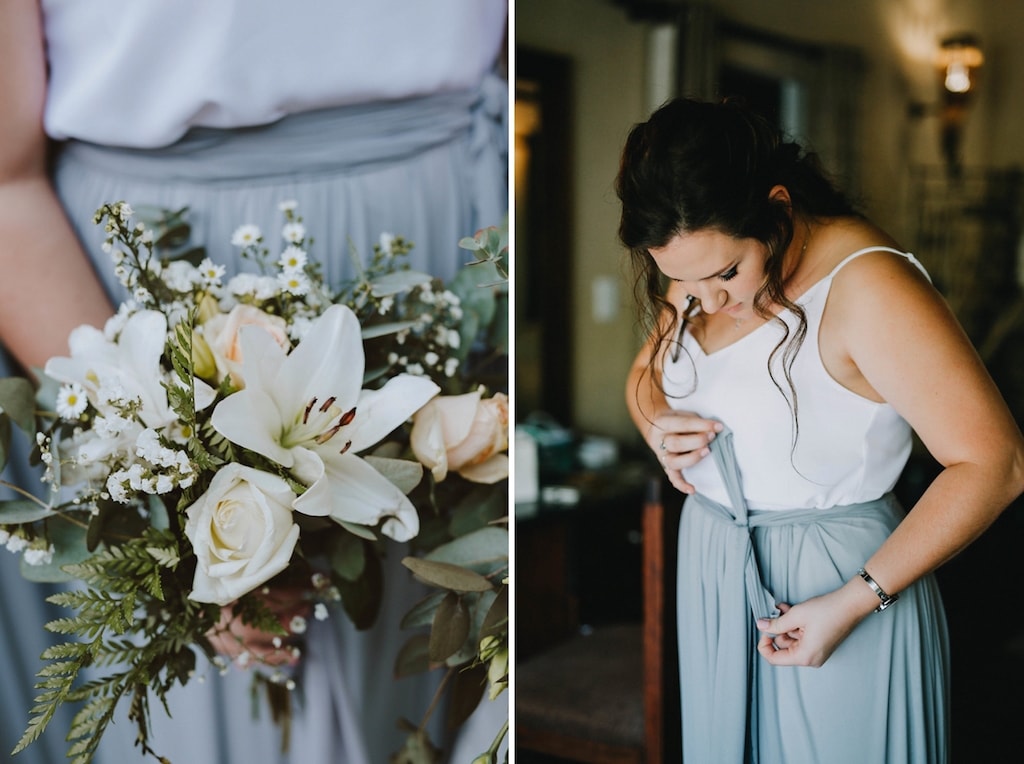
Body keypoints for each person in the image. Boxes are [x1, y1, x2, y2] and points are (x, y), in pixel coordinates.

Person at [0, 1, 508, 762]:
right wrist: (163, 492)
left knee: (414, 675)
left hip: (441, 240)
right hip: (128, 295)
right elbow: (5, 182)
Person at [617, 96, 1024, 763]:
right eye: (683, 284)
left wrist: (854, 601)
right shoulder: (697, 269)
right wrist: (656, 424)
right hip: (713, 574)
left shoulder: (868, 286)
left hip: (840, 586)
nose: (708, 301)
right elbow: (648, 372)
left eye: (727, 273)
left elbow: (997, 463)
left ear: (776, 205)